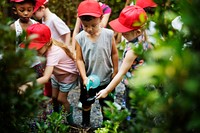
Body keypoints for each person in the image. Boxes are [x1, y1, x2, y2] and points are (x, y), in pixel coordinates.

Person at [96, 5, 151, 118]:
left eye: (125, 31)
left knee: (133, 110)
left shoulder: (133, 51)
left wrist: (106, 90)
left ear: (138, 31)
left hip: (135, 86)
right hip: (142, 82)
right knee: (138, 107)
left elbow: (121, 73)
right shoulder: (144, 38)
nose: (122, 33)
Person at [19, 23, 79, 124]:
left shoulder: (54, 53)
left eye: (37, 48)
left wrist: (27, 85)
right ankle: (56, 118)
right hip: (56, 75)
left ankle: (71, 122)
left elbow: (45, 78)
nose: (35, 52)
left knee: (61, 99)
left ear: (47, 43)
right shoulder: (43, 50)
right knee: (54, 97)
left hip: (67, 77)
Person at [75, 0, 118, 127]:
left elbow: (114, 53)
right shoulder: (80, 38)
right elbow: (79, 59)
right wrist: (84, 77)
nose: (89, 29)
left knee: (106, 104)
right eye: (85, 25)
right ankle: (86, 123)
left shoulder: (109, 34)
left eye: (93, 25)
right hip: (88, 80)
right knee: (86, 103)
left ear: (100, 18)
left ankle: (107, 126)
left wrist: (115, 70)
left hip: (106, 78)